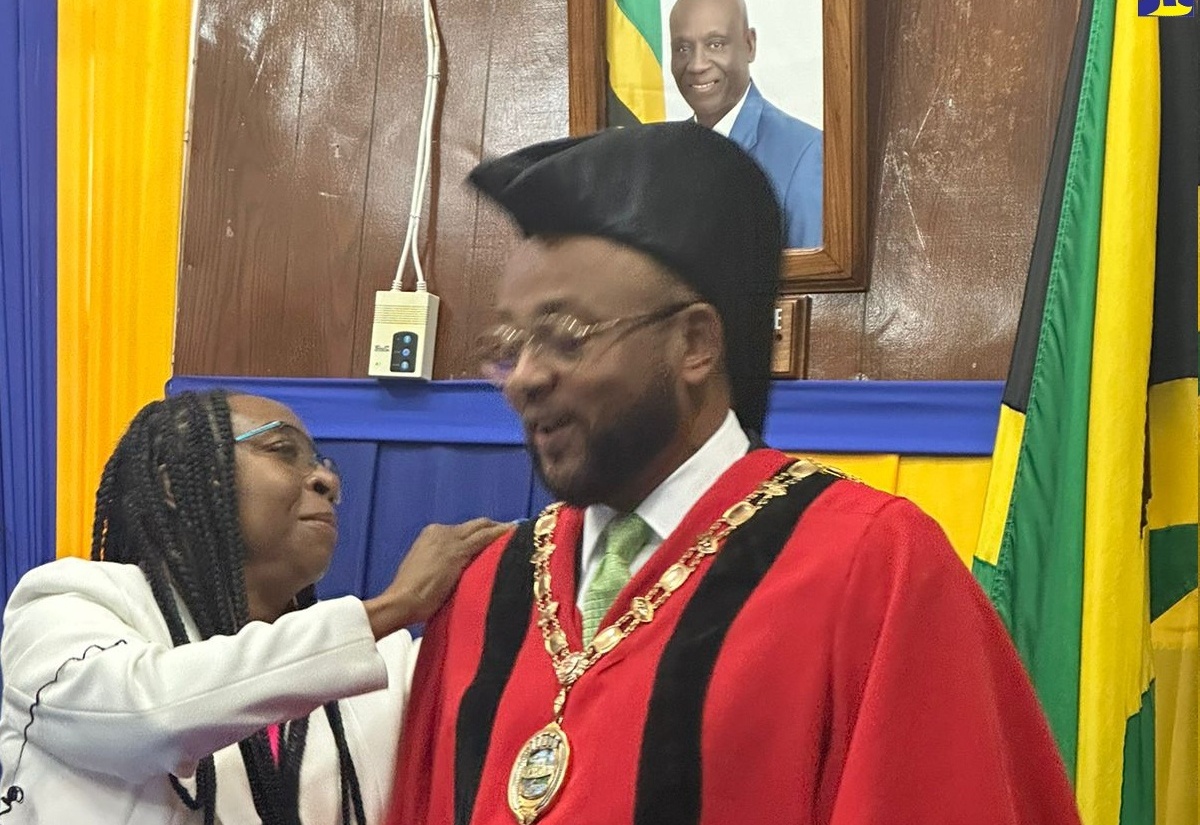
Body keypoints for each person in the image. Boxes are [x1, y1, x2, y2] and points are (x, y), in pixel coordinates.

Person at [385, 123, 1082, 825]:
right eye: (510, 344)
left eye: (567, 336)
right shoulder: (483, 586)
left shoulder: (870, 567)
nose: (525, 378)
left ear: (694, 343)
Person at [0, 390, 508, 824]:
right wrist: (393, 607)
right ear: (174, 484)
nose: (327, 481)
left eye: (323, 465)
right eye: (283, 450)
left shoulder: (388, 668)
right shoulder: (68, 600)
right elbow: (148, 716)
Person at [669, 0, 822, 248]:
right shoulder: (663, 158)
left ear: (749, 45)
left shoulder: (805, 154)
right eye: (683, 49)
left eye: (715, 44)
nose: (697, 65)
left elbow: (815, 283)